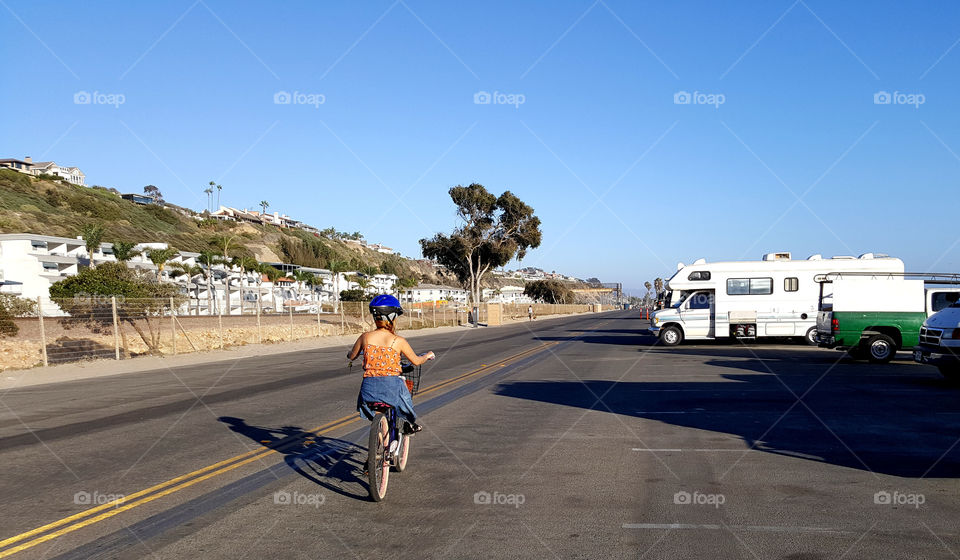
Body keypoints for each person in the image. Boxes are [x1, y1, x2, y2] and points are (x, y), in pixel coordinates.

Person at [348, 294, 435, 433]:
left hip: (368, 387)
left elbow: (352, 356)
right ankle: (409, 423)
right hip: (391, 386)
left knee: (371, 407)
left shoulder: (365, 337)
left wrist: (352, 355)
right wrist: (428, 355)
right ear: (392, 317)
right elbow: (416, 361)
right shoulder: (398, 340)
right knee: (405, 399)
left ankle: (380, 435)